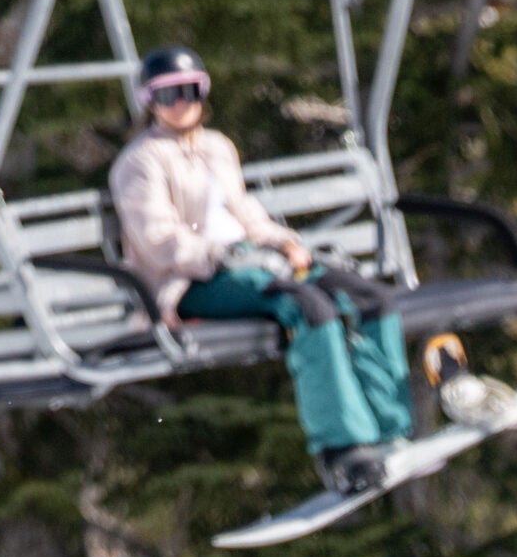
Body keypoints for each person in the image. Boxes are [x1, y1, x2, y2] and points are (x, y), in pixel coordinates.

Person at [108, 45, 415, 492]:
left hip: (251, 265)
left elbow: (244, 211)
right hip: (189, 281)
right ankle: (342, 447)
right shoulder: (140, 162)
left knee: (370, 298)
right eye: (167, 95)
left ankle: (391, 426)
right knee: (308, 308)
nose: (180, 104)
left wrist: (283, 242)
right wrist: (219, 255)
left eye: (190, 91)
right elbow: (157, 240)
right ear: (149, 102)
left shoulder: (216, 147)